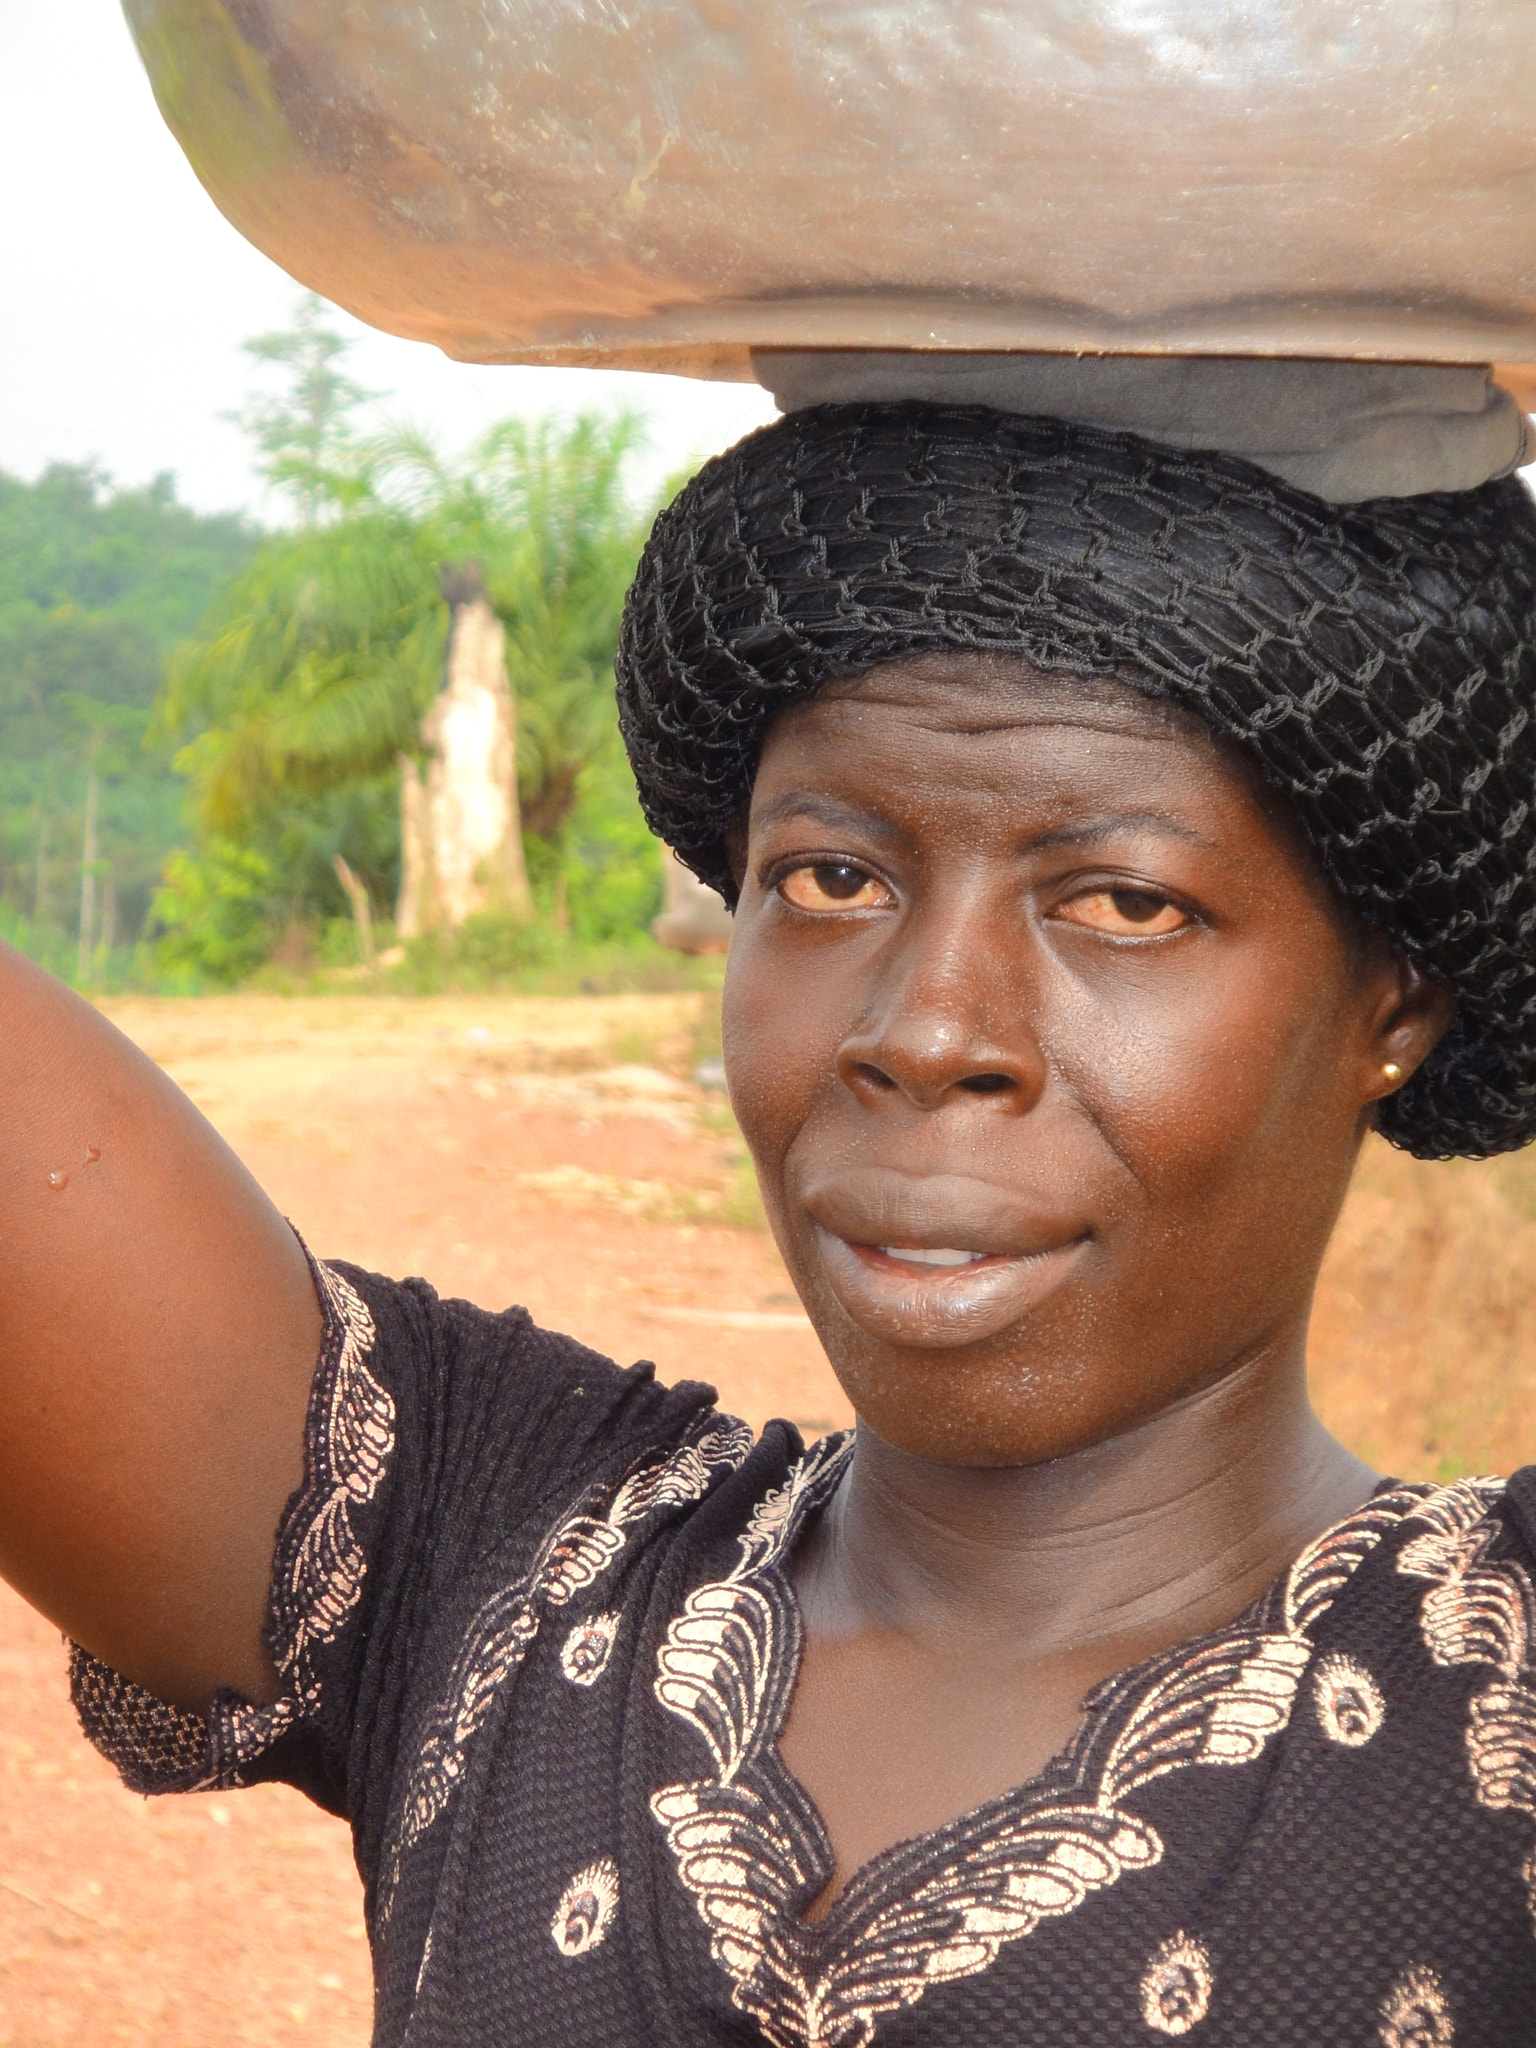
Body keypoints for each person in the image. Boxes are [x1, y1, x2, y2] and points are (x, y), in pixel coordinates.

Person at [3, 398, 1535, 2046]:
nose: (928, 1027)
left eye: (1124, 902)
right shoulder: (500, 1561)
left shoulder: (1490, 1710)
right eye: (829, 880)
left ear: (1398, 998)